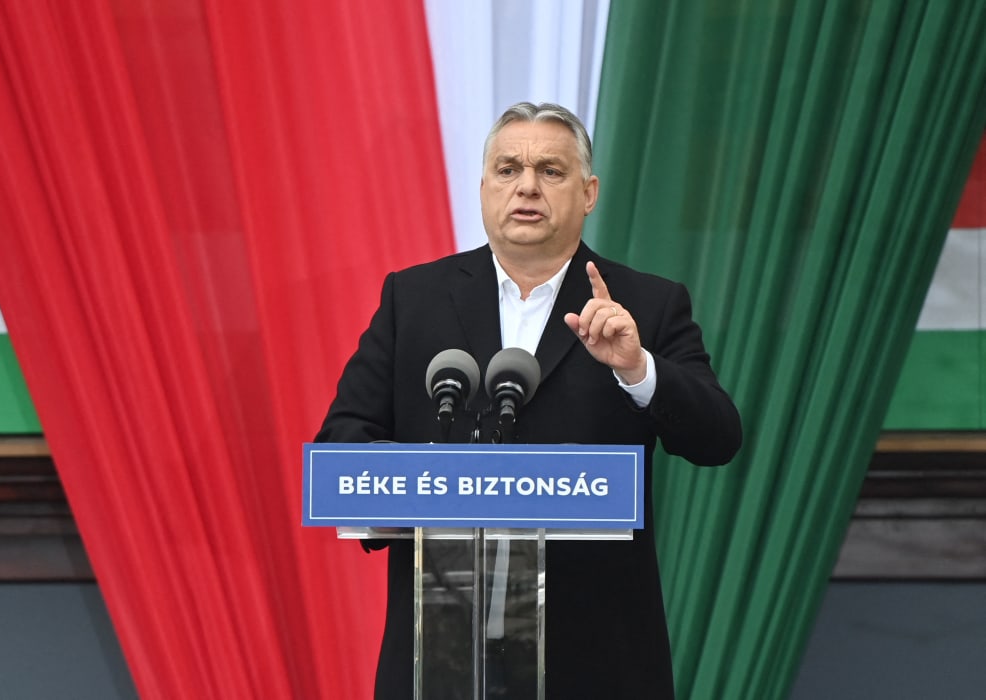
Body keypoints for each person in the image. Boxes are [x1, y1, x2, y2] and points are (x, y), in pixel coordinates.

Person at [315, 102, 742, 699]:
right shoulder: (413, 299)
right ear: (485, 186)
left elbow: (718, 437)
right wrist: (435, 486)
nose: (528, 187)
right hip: (441, 653)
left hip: (595, 658)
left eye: (551, 170)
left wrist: (638, 368)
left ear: (588, 192)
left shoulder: (645, 304)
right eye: (509, 168)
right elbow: (343, 444)